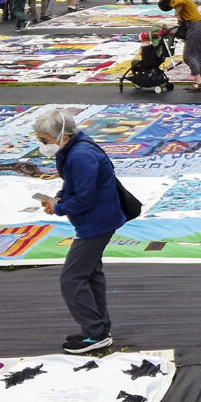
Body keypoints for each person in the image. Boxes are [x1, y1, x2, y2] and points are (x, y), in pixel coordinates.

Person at [34, 109, 125, 353]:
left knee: (72, 278)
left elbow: (85, 198)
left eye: (44, 140)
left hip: (96, 223)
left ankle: (95, 334)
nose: (42, 145)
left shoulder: (81, 155)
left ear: (62, 135)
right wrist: (59, 198)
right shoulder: (74, 149)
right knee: (90, 274)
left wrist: (60, 206)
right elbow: (73, 185)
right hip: (96, 220)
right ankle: (98, 329)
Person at [158, 0, 201, 90]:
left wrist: (176, 13)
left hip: (195, 28)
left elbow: (178, 2)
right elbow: (181, 28)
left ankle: (198, 81)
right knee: (199, 54)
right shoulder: (185, 7)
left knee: (188, 56)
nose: (173, 8)